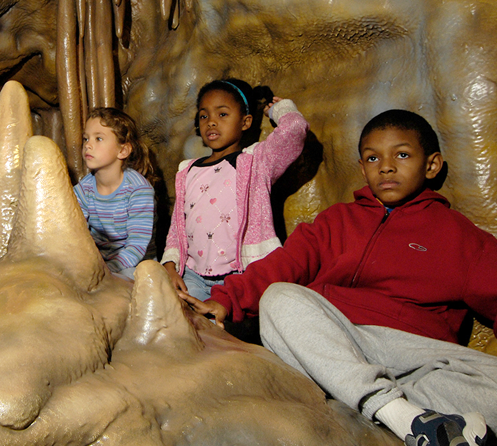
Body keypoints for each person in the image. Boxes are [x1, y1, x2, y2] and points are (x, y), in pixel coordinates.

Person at [190, 109, 497, 446]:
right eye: (372, 157)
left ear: (432, 165)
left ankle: (410, 413)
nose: (386, 166)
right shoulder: (336, 221)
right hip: (335, 342)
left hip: (420, 360)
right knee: (279, 298)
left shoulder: (459, 236)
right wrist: (224, 299)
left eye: (403, 154)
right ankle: (402, 415)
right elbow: (282, 265)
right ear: (363, 167)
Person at [161, 78, 308, 300]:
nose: (211, 122)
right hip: (192, 276)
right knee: (184, 320)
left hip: (241, 276)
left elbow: (295, 130)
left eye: (222, 114)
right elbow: (177, 228)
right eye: (204, 115)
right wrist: (170, 265)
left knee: (220, 327)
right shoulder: (188, 170)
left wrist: (280, 109)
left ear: (245, 122)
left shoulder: (255, 161)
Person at [73, 107, 156, 280]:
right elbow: (77, 234)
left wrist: (106, 270)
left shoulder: (139, 190)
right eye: (86, 138)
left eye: (99, 138)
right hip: (100, 262)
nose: (88, 145)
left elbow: (136, 247)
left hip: (136, 264)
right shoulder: (84, 188)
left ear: (123, 150)